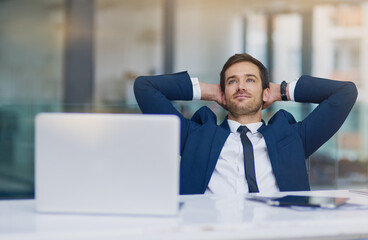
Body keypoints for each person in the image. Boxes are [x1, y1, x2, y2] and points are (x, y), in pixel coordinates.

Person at [134, 53, 358, 195]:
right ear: (223, 93)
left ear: (265, 92)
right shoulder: (195, 136)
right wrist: (210, 90)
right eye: (232, 81)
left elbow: (345, 92)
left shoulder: (293, 138)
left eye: (250, 80)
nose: (241, 86)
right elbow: (144, 88)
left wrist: (281, 91)